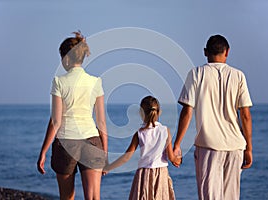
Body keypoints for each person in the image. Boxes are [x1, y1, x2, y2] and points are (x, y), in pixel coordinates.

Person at [172, 34, 253, 199]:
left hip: (208, 145)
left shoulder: (196, 74)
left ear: (205, 52)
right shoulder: (238, 76)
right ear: (227, 52)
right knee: (231, 196)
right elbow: (245, 115)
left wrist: (177, 144)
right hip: (235, 145)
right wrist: (249, 148)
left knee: (210, 196)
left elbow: (187, 111)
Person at [37, 31, 108, 200]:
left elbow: (55, 120)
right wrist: (105, 153)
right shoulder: (95, 82)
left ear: (66, 57)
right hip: (92, 140)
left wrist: (43, 151)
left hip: (66, 142)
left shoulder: (59, 82)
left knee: (67, 197)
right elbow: (101, 122)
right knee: (93, 198)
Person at [104, 96, 181, 200]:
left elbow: (126, 157)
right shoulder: (165, 131)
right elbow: (171, 157)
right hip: (161, 174)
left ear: (141, 113)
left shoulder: (139, 133)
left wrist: (109, 167)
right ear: (159, 112)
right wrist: (178, 159)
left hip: (144, 175)